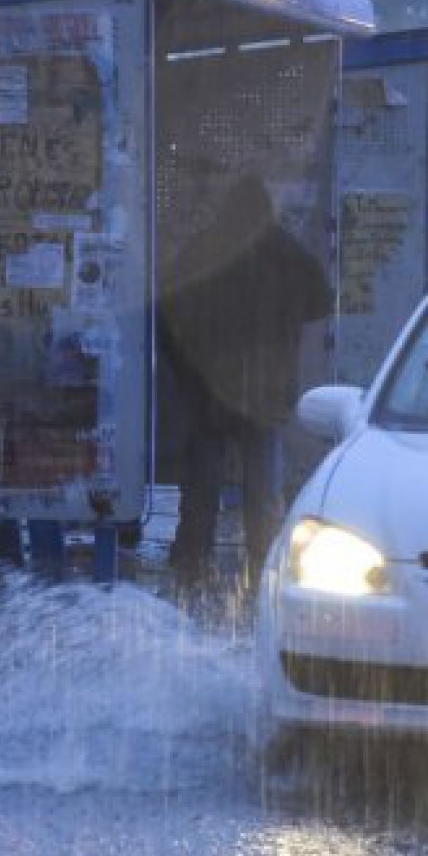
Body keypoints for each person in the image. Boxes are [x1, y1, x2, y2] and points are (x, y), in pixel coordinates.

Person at [159, 174, 332, 601]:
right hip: (266, 394)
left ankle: (191, 568)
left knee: (202, 486)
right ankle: (263, 575)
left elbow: (167, 307)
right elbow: (323, 301)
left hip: (210, 391)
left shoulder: (205, 249)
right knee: (262, 493)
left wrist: (187, 365)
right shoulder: (286, 252)